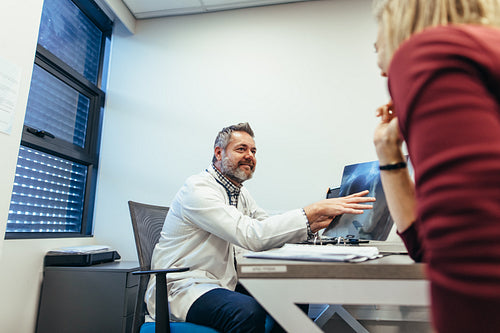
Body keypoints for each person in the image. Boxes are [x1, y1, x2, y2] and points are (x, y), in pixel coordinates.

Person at [145, 122, 375, 333]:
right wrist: (310, 212)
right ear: (218, 153)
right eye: (241, 149)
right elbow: (251, 235)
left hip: (222, 282)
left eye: (253, 151)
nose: (249, 156)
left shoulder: (239, 192)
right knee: (246, 311)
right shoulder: (198, 190)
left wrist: (313, 224)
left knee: (295, 292)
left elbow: (263, 225)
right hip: (184, 285)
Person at [372, 0, 500, 332]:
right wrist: (387, 151)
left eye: (378, 22)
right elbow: (425, 247)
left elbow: (472, 253)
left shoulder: (430, 54)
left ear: (400, 17)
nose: (375, 44)